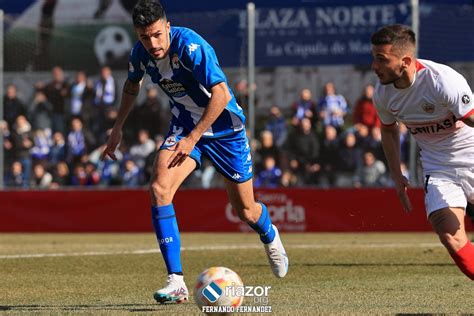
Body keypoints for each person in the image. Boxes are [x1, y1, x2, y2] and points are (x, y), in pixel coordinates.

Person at [100, 0, 288, 304]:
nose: (153, 43)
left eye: (158, 35)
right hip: (185, 126)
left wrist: (194, 138)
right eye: (145, 37)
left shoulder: (191, 47)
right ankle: (176, 281)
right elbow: (131, 86)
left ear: (168, 26)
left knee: (245, 210)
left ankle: (269, 234)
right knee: (159, 189)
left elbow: (221, 93)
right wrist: (118, 126)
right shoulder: (140, 54)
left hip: (225, 130)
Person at [371, 24, 474, 280]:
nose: (374, 66)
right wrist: (397, 175)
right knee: (450, 235)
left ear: (405, 61)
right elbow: (389, 131)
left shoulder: (442, 81)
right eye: (374, 58)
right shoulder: (383, 94)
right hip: (439, 169)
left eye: (381, 60)